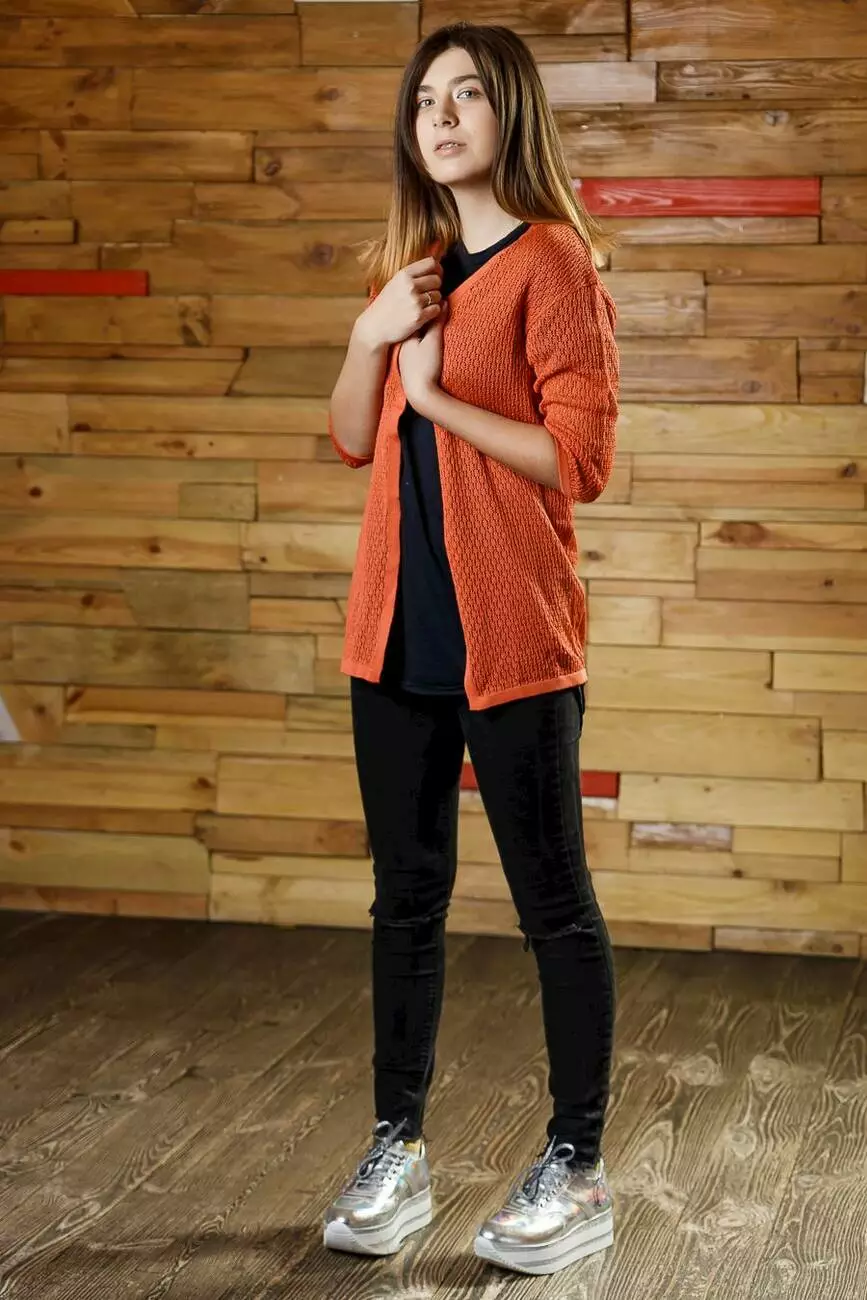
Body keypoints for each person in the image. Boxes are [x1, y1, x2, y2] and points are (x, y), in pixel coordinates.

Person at [322, 20, 619, 1279]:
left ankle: (579, 1165)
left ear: (511, 113)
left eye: (465, 96)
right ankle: (397, 1146)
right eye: (424, 100)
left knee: (554, 906)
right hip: (394, 638)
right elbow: (353, 437)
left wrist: (440, 396)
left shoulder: (554, 261)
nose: (439, 118)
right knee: (405, 901)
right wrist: (371, 335)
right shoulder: (413, 272)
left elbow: (581, 461)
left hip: (515, 640)